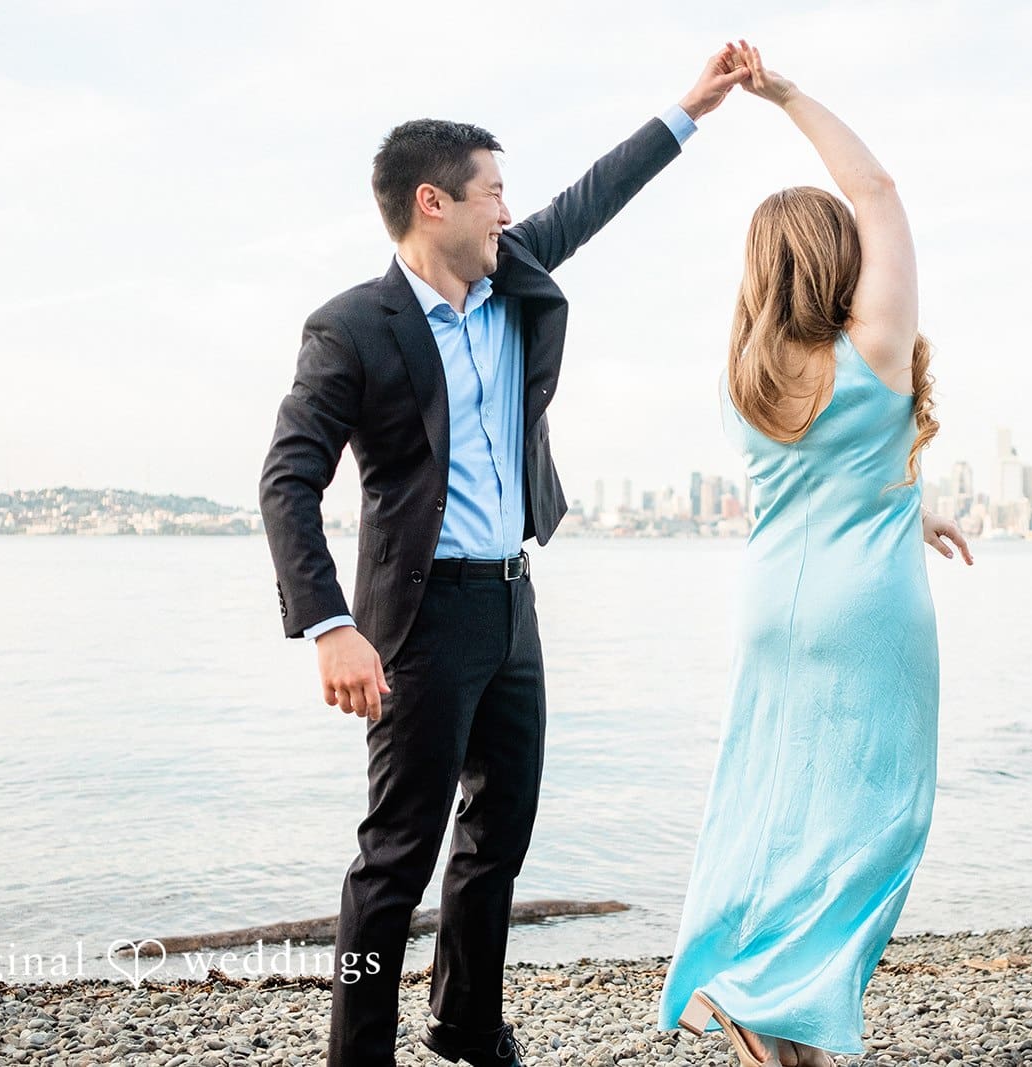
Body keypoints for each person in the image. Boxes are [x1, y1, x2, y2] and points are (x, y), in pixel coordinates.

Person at [257, 47, 750, 1067]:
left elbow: (595, 196)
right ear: (432, 203)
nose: (507, 213)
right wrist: (330, 623)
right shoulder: (352, 327)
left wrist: (691, 107)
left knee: (496, 840)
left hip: (513, 605)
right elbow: (287, 479)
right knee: (394, 859)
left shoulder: (512, 274)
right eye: (492, 195)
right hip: (416, 620)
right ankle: (360, 1050)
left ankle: (466, 1025)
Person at [658, 41, 974, 1067]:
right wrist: (784, 91)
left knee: (771, 807)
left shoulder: (742, 381)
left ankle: (770, 1019)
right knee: (875, 820)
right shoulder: (874, 345)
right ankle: (767, 995)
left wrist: (907, 502)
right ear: (837, 258)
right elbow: (876, 189)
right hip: (868, 609)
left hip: (773, 611)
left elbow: (821, 481)